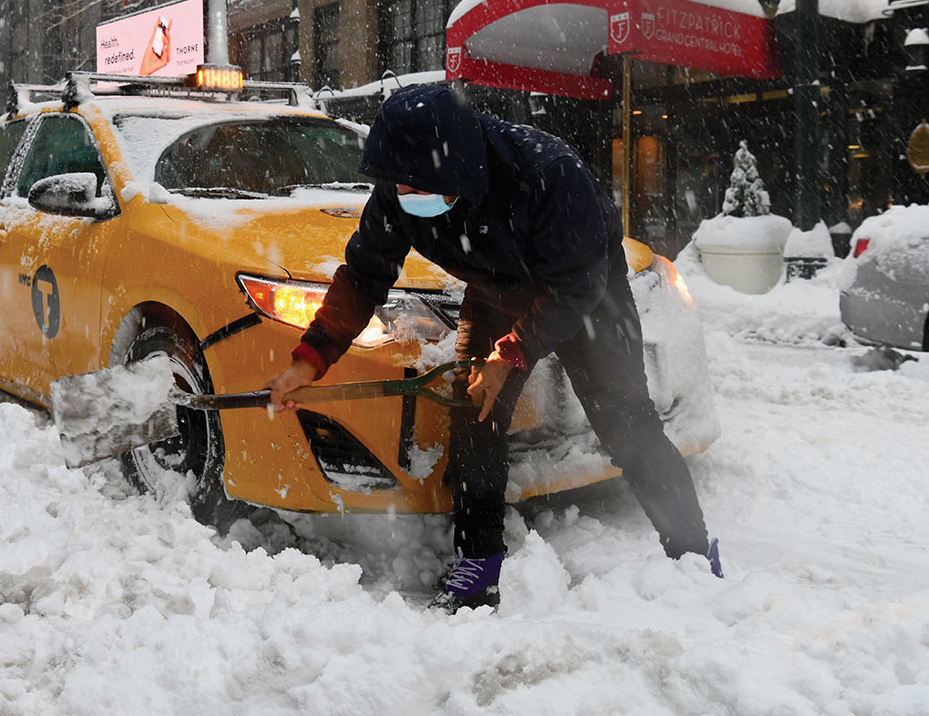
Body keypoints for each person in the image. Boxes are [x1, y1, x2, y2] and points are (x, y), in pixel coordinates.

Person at [266, 84, 720, 612]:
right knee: (474, 417)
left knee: (627, 422)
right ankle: (478, 564)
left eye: (417, 183)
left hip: (585, 292)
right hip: (495, 290)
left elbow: (577, 285)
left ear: (456, 166)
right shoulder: (402, 185)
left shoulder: (548, 174)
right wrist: (310, 358)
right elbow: (365, 275)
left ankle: (692, 555)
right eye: (397, 182)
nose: (405, 192)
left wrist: (510, 355)